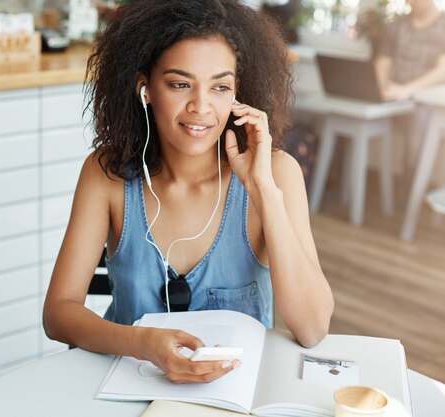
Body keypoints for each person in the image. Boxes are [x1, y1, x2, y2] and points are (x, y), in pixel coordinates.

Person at [43, 0, 334, 384]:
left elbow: (312, 328)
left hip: (236, 394)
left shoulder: (277, 173)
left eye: (220, 86)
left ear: (238, 94)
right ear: (145, 88)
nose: (200, 106)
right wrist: (141, 343)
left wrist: (262, 188)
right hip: (129, 385)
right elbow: (58, 313)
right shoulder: (106, 175)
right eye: (180, 84)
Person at [375, 0, 445, 100]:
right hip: (393, 93)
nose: (411, 2)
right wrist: (382, 87)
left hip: (427, 98)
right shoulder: (397, 23)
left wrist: (407, 89)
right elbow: (384, 59)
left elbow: (442, 71)